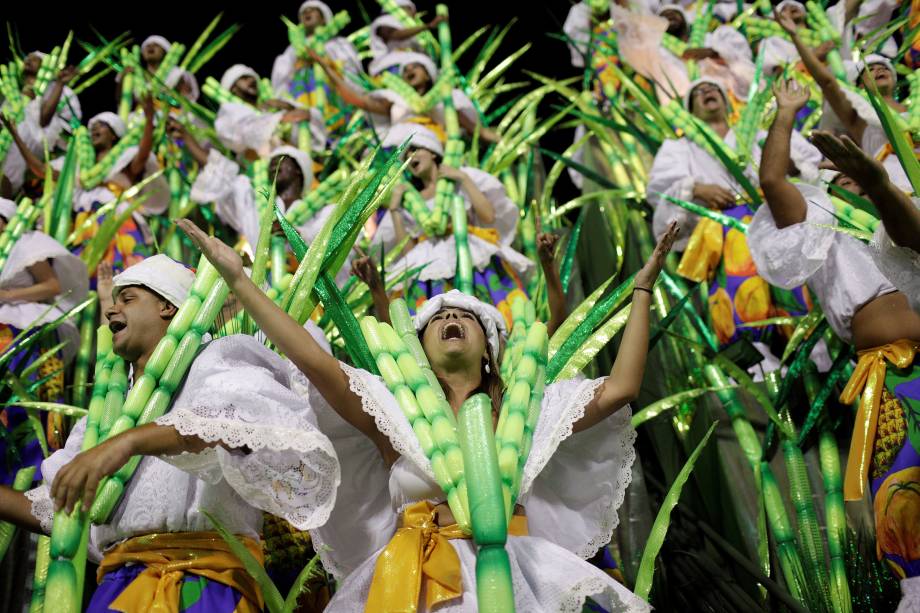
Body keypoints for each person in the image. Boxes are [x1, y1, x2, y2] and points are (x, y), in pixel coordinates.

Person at [178, 214, 679, 612]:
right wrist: (240, 283)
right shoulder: (392, 416)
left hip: (522, 573)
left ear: (489, 349)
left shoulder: (528, 412)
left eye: (466, 316)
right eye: (438, 317)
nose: (452, 318)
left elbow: (622, 387)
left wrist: (641, 290)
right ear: (419, 351)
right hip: (414, 585)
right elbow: (314, 361)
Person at [0, 254, 340, 612]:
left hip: (203, 585)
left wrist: (128, 443)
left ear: (167, 306)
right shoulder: (105, 414)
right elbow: (59, 507)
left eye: (128, 299)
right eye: (113, 303)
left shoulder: (217, 360)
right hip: (118, 589)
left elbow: (236, 421)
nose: (112, 311)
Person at [750, 78, 920, 610]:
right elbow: (773, 179)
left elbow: (913, 235)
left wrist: (880, 184)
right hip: (891, 377)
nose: (847, 172)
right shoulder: (816, 224)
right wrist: (786, 112)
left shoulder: (893, 210)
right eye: (838, 169)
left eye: (859, 168)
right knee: (906, 495)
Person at [646, 77, 819, 352]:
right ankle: (757, 361)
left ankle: (809, 357)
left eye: (714, 88)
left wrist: (792, 167)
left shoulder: (758, 134)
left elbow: (807, 162)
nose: (708, 92)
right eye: (699, 92)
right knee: (743, 295)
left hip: (773, 217)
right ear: (690, 110)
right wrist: (696, 187)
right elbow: (658, 191)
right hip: (726, 228)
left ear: (728, 102)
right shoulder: (679, 147)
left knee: (791, 288)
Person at [374, 123, 531, 324]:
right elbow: (408, 252)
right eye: (406, 155)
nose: (410, 156)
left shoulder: (459, 178)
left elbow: (489, 216)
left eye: (415, 149)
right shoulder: (411, 198)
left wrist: (463, 178)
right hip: (430, 266)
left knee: (485, 316)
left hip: (469, 254)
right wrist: (395, 209)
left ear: (432, 153)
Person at [2, 101, 169, 279]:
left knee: (124, 276)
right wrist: (15, 135)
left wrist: (150, 119)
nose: (94, 129)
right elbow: (42, 171)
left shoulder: (125, 161)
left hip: (117, 222)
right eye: (92, 126)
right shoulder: (79, 170)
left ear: (114, 135)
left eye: (101, 126)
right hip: (84, 225)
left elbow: (143, 154)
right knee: (86, 278)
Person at [776, 8, 916, 191]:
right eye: (870, 70)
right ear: (859, 86)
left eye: (884, 67)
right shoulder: (860, 118)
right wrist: (795, 36)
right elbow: (827, 83)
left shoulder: (914, 110)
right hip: (898, 181)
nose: (879, 70)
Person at [0, 197, 88, 484]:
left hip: (26, 330)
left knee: (27, 406)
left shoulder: (25, 244)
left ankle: (35, 476)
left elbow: (52, 285)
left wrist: (6, 296)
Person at [810, 129, 920, 312]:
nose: (856, 183)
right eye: (846, 183)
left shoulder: (909, 206)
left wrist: (879, 185)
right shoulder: (827, 231)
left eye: (858, 179)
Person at [314, 49, 499, 143]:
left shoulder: (447, 101)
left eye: (415, 67)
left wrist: (503, 142)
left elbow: (478, 132)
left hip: (435, 156)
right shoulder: (394, 100)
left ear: (428, 75)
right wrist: (326, 68)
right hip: (397, 155)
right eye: (405, 70)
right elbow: (356, 99)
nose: (409, 70)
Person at [271, 0, 361, 136]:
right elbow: (282, 82)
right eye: (303, 12)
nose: (307, 13)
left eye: (312, 10)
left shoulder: (338, 44)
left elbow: (351, 73)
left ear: (324, 18)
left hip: (335, 97)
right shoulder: (292, 51)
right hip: (302, 99)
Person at [213, 64, 322, 158]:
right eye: (244, 78)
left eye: (252, 77)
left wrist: (286, 106)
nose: (251, 80)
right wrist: (280, 119)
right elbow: (246, 134)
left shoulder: (273, 102)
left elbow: (309, 115)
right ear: (233, 89)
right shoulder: (229, 113)